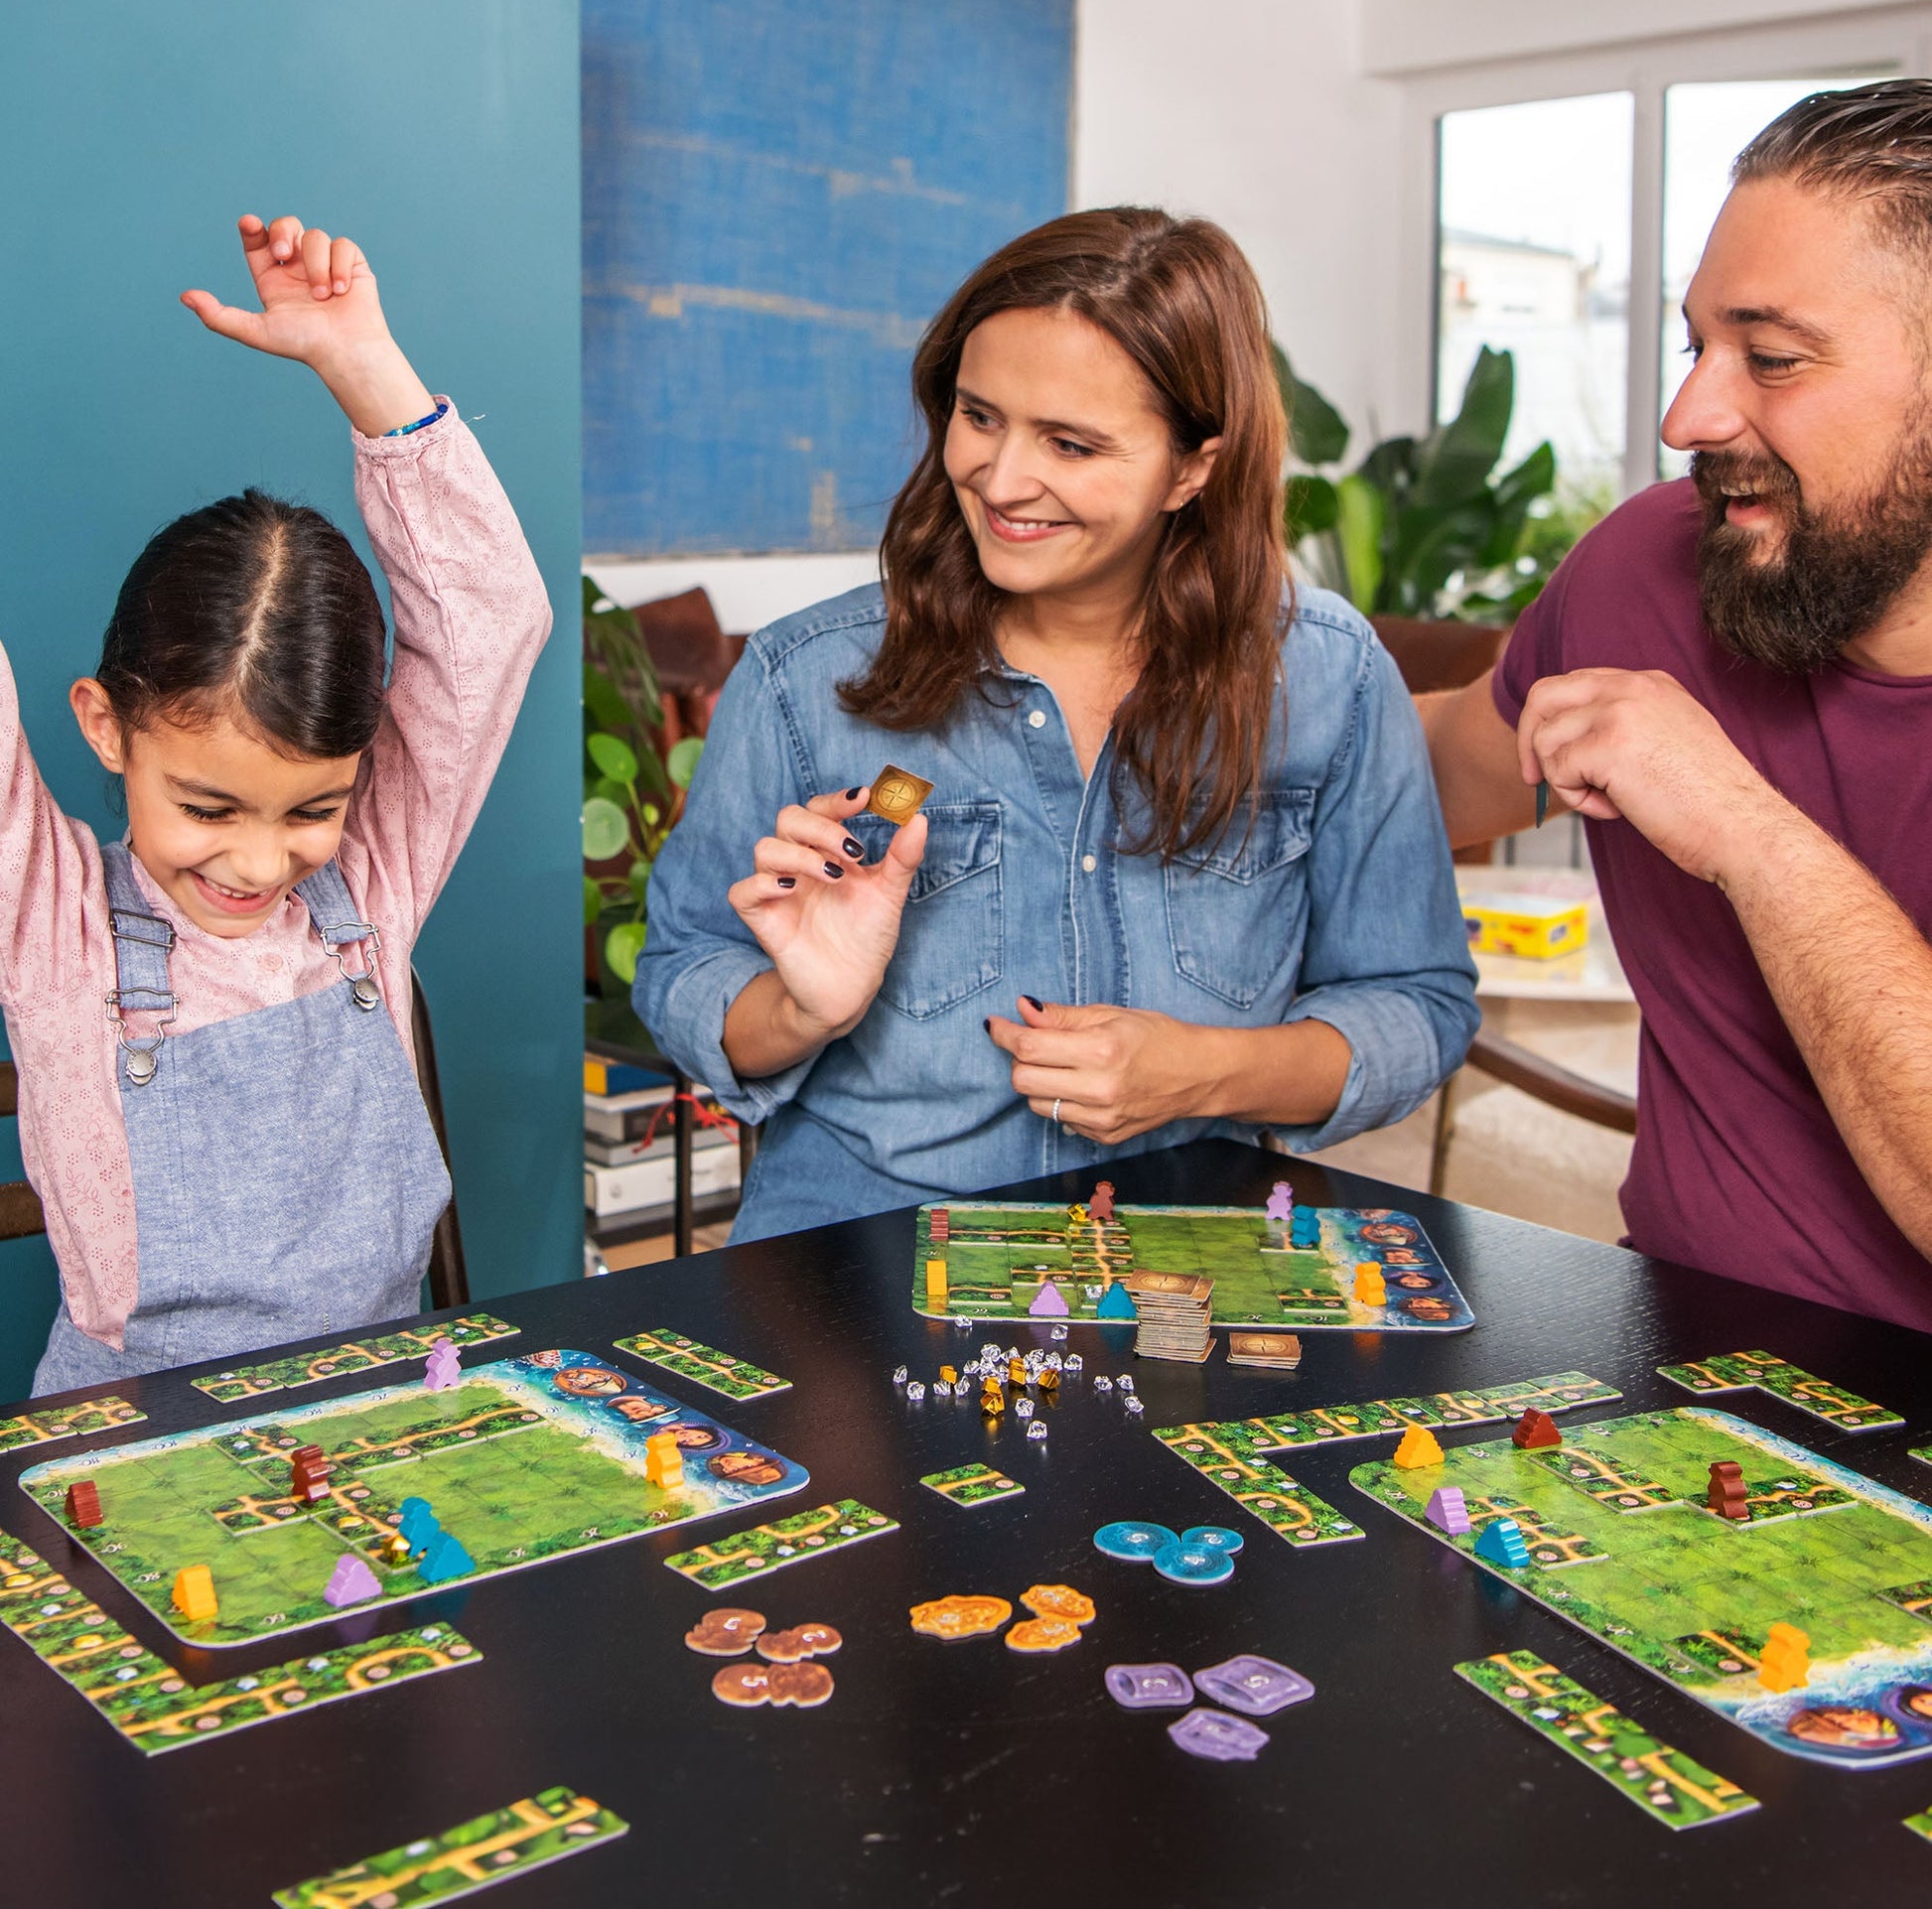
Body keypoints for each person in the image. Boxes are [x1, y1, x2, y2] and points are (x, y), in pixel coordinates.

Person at [639, 207, 1476, 1239]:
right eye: (978, 415)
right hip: (859, 1249)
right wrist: (802, 1008)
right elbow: (683, 969)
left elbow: (1416, 1001)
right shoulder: (803, 678)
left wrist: (1206, 1071)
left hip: (1196, 1257)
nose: (1000, 479)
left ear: (1191, 467)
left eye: (1070, 443)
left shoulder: (1328, 678)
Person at [1421, 81, 1932, 1332]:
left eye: (1769, 358)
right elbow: (1434, 771)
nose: (1685, 418)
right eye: (1695, 345)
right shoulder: (1655, 556)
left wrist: (1739, 829)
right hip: (1671, 1352)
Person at [18, 213, 551, 1394]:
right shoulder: (50, 919)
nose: (262, 864)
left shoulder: (376, 869)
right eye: (208, 806)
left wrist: (362, 366)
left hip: (391, 1399)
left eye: (313, 808)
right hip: (137, 1428)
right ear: (106, 726)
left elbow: (490, 626)